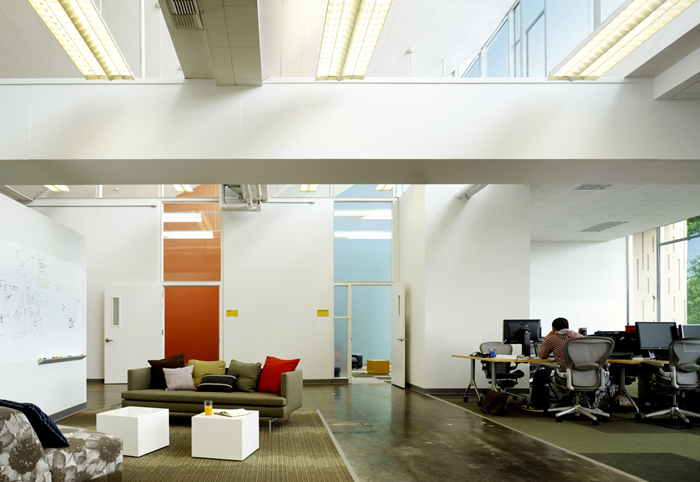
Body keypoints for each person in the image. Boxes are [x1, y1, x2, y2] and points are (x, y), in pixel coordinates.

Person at [527, 317, 583, 411]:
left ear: (553, 328)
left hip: (564, 373)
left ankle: (537, 405)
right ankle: (572, 402)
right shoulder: (580, 336)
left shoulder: (552, 338)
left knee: (539, 375)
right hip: (583, 373)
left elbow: (542, 355)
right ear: (568, 327)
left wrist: (547, 338)